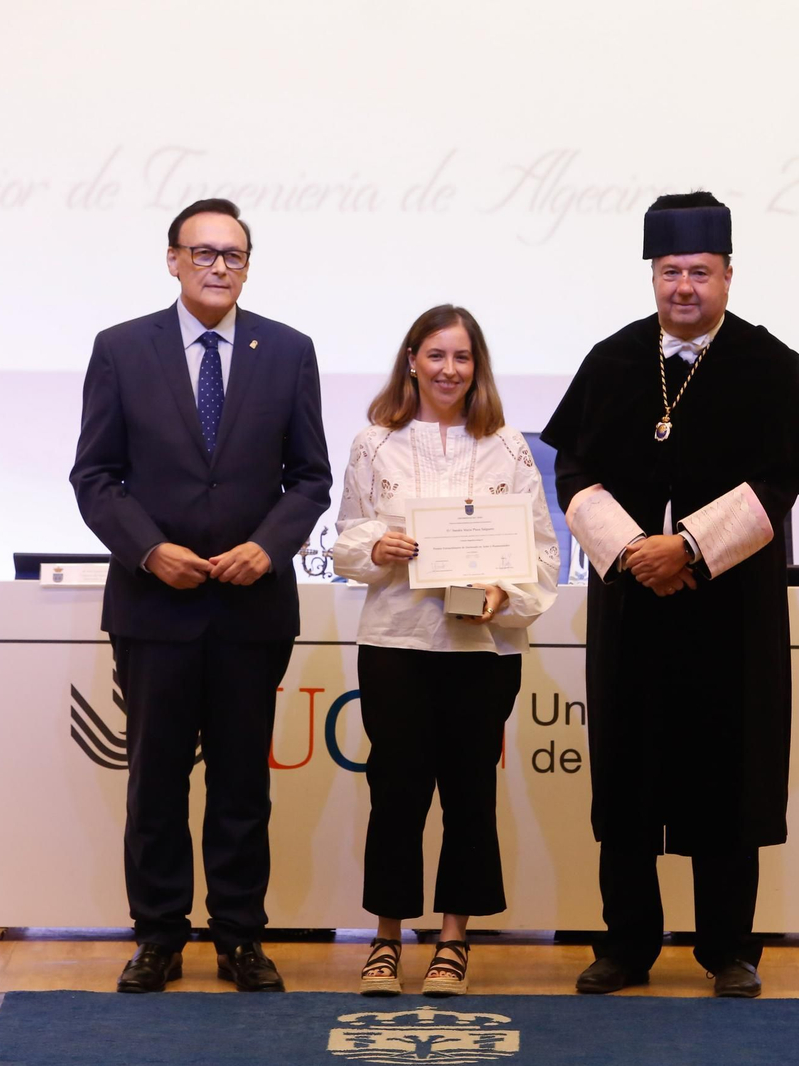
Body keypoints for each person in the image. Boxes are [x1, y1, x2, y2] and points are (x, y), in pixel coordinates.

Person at [540, 191, 799, 998]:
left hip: (729, 612)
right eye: (671, 272)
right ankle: (625, 945)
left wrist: (693, 550)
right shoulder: (612, 361)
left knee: (727, 771)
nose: (684, 288)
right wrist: (634, 550)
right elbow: (571, 470)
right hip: (633, 604)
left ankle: (729, 949)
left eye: (700, 272)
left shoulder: (769, 366)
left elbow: (783, 481)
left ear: (728, 275)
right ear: (653, 275)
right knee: (628, 771)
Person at [70, 198, 332, 993]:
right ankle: (157, 935)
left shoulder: (287, 351)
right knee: (154, 780)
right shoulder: (121, 349)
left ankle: (240, 937)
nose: (220, 267)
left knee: (242, 784)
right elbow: (95, 476)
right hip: (155, 607)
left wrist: (268, 545)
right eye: (205, 253)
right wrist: (150, 551)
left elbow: (311, 477)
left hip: (252, 607)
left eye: (235, 255)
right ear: (174, 259)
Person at [332, 304, 560, 996]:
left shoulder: (511, 449)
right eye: (436, 355)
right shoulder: (374, 444)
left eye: (462, 358)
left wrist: (506, 593)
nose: (449, 370)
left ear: (477, 366)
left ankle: (454, 940)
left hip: (482, 650)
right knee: (395, 794)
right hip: (396, 642)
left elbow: (543, 558)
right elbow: (342, 542)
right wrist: (375, 547)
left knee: (470, 794)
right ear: (411, 360)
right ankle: (386, 936)